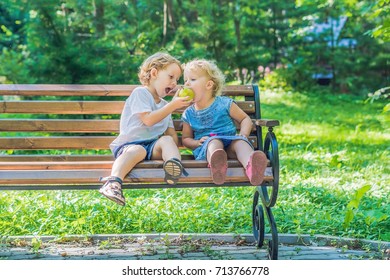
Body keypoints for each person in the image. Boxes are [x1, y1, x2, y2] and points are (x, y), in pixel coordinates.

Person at [99, 52, 191, 206]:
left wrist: (172, 148)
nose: (175, 83)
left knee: (167, 140)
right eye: (171, 77)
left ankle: (173, 167)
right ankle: (113, 183)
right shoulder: (140, 93)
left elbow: (172, 138)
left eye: (177, 79)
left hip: (151, 148)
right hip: (129, 147)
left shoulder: (165, 106)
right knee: (139, 150)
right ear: (154, 73)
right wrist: (173, 106)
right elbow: (148, 120)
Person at [181, 59, 267, 185]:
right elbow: (186, 138)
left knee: (240, 143)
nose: (187, 84)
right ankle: (218, 168)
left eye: (192, 79)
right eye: (185, 80)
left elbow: (245, 119)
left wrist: (243, 135)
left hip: (229, 142)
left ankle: (252, 168)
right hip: (207, 148)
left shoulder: (224, 103)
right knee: (214, 142)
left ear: (209, 85)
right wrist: (196, 142)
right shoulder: (189, 113)